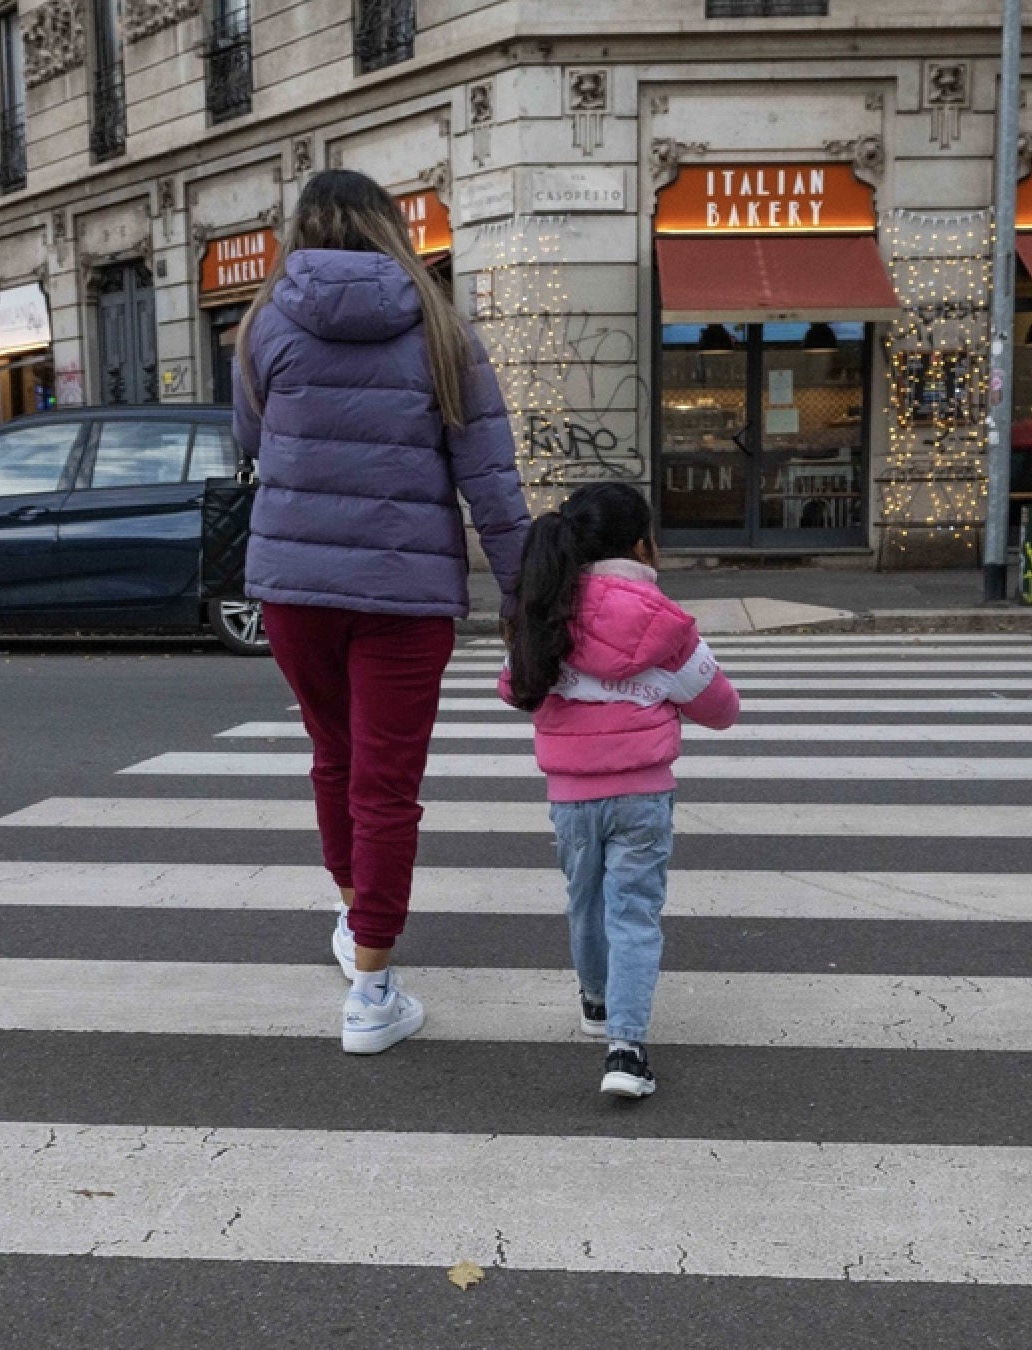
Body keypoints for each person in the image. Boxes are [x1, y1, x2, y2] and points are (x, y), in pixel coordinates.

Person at [233, 169, 532, 1055]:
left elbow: (253, 445)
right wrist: (521, 593)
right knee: (389, 784)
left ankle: (349, 908)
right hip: (407, 594)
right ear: (391, 228)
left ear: (303, 228)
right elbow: (491, 479)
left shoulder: (264, 324)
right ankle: (371, 988)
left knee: (334, 756)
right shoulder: (443, 329)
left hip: (295, 587)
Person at [497, 483, 740, 1099]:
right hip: (642, 794)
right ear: (642, 544)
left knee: (585, 900)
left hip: (570, 795)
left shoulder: (544, 609)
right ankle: (627, 1052)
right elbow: (721, 707)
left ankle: (596, 1002)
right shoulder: (663, 624)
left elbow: (514, 685)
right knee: (632, 912)